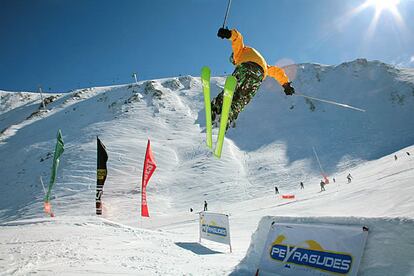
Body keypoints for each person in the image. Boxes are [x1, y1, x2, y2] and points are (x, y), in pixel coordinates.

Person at [212, 28, 295, 129]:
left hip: (246, 67)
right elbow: (277, 72)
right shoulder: (264, 64)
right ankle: (230, 114)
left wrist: (229, 34)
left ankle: (217, 106)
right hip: (258, 76)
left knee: (232, 90)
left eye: (232, 61)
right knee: (242, 98)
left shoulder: (239, 52)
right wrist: (286, 84)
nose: (234, 62)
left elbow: (237, 39)